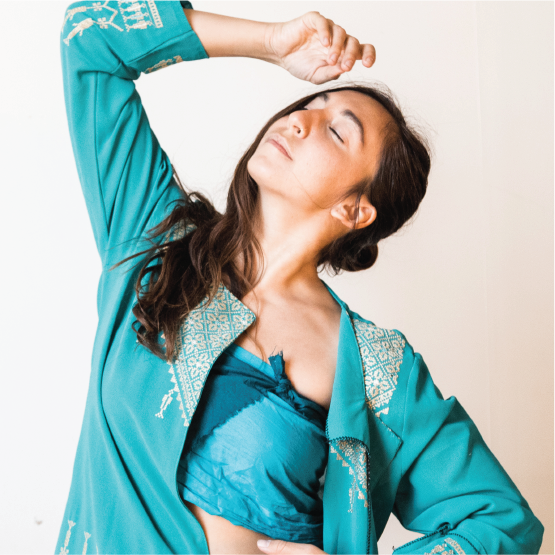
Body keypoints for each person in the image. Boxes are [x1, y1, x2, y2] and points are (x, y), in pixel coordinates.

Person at [57, 1, 544, 554]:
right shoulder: (156, 241)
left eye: (336, 132)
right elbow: (89, 39)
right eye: (310, 103)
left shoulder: (375, 369)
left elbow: (501, 521)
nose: (298, 119)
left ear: (355, 210)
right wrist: (270, 42)